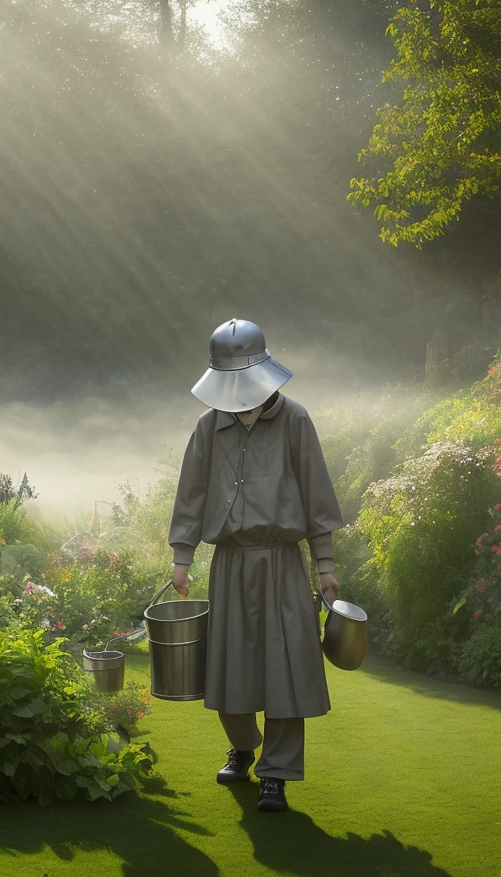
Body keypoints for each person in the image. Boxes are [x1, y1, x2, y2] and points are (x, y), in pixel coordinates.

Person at [168, 318, 343, 813]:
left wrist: (324, 561)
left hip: (282, 562)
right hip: (229, 563)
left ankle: (277, 773)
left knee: (286, 668)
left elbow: (315, 494)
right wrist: (183, 557)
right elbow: (192, 494)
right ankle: (243, 748)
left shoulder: (295, 421)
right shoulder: (209, 427)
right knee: (228, 664)